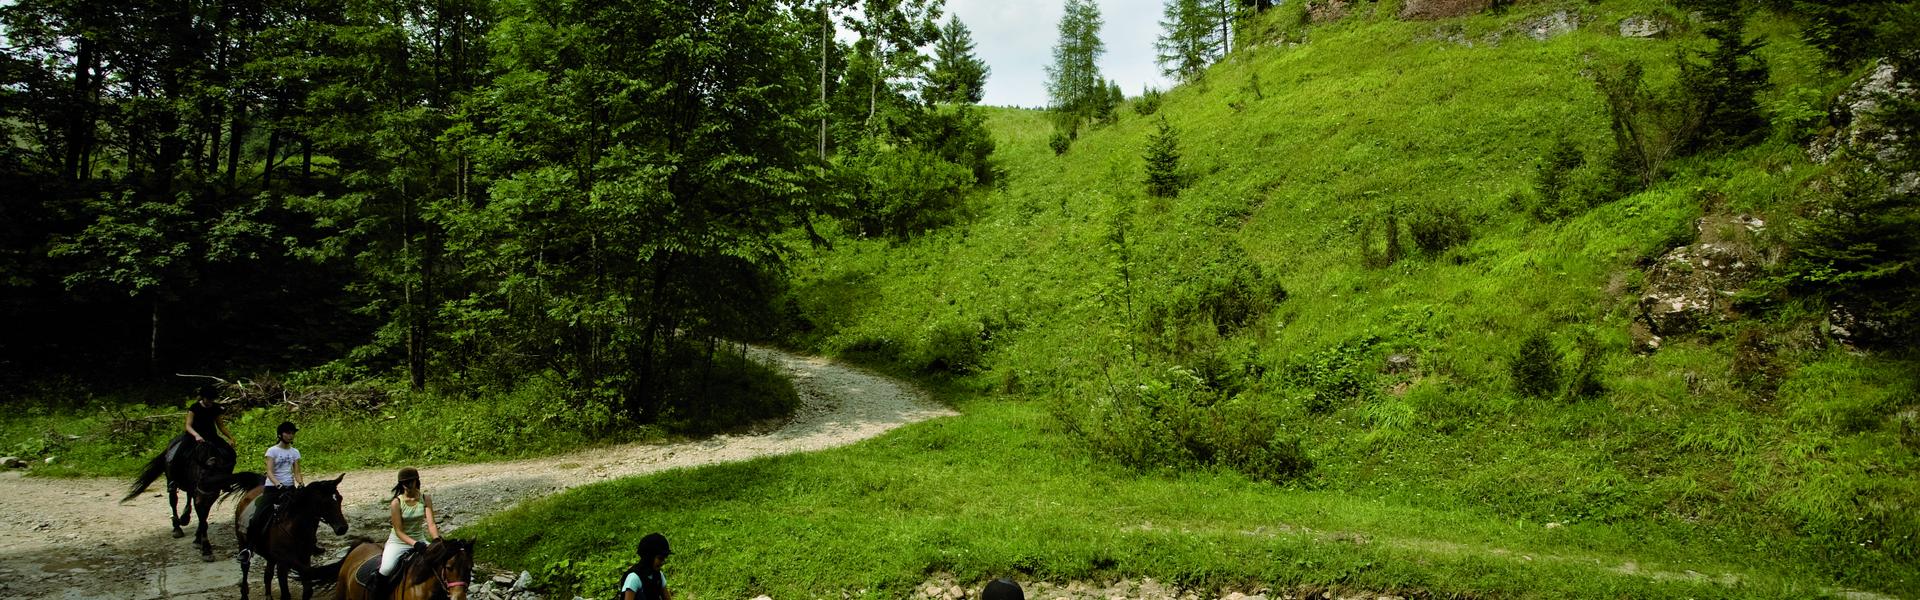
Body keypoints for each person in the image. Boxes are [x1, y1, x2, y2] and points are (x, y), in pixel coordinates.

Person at [368, 467, 442, 598]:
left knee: (440, 561)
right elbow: (398, 531)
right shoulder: (396, 503)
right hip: (398, 542)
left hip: (420, 538)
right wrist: (415, 544)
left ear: (416, 481)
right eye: (404, 483)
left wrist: (436, 539)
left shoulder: (425, 498)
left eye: (410, 481)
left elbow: (431, 524)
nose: (407, 485)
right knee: (386, 569)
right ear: (401, 484)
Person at [248, 421, 303, 539]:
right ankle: (248, 546)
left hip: (289, 487)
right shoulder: (272, 451)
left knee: (304, 512)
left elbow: (297, 472)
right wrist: (278, 484)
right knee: (258, 516)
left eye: (292, 433)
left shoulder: (295, 452)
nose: (291, 435)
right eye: (288, 433)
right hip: (273, 488)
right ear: (280, 435)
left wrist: (301, 483)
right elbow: (269, 472)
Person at [164, 388, 234, 462]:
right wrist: (196, 435)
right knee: (178, 455)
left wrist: (230, 437)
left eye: (212, 399)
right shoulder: (194, 407)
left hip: (211, 436)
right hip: (193, 436)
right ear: (203, 398)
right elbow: (188, 425)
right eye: (208, 399)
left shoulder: (216, 408)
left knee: (230, 453)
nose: (210, 402)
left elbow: (221, 426)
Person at [618, 533, 672, 600]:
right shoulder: (634, 578)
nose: (663, 562)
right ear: (648, 557)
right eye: (660, 558)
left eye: (664, 559)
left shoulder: (658, 575)